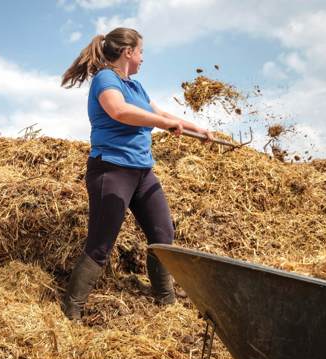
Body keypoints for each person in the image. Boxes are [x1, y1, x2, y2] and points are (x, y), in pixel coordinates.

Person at [60, 27, 213, 321]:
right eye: (141, 52)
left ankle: (164, 301)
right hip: (112, 170)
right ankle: (71, 309)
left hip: (142, 172)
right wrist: (160, 123)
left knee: (163, 233)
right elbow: (119, 111)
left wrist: (198, 129)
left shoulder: (137, 87)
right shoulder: (106, 79)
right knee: (101, 244)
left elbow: (164, 115)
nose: (143, 58)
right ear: (128, 52)